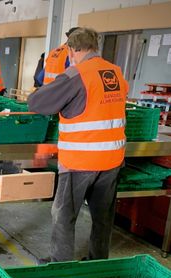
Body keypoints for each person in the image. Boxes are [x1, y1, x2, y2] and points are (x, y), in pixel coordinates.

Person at [27, 27, 128, 263]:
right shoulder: (115, 72)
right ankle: (97, 262)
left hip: (81, 161)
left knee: (63, 215)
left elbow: (37, 102)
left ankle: (60, 265)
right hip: (112, 160)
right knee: (103, 217)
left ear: (73, 49)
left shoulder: (77, 74)